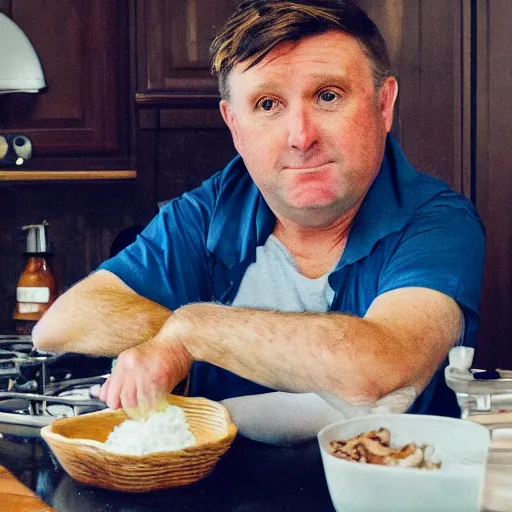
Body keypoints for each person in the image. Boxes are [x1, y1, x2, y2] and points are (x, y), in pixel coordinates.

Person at [32, 0, 485, 444]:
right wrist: (191, 338)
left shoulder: (437, 221)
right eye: (268, 104)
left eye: (328, 96)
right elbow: (62, 324)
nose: (300, 137)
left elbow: (378, 368)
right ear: (234, 125)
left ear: (383, 105)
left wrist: (193, 334)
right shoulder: (212, 209)